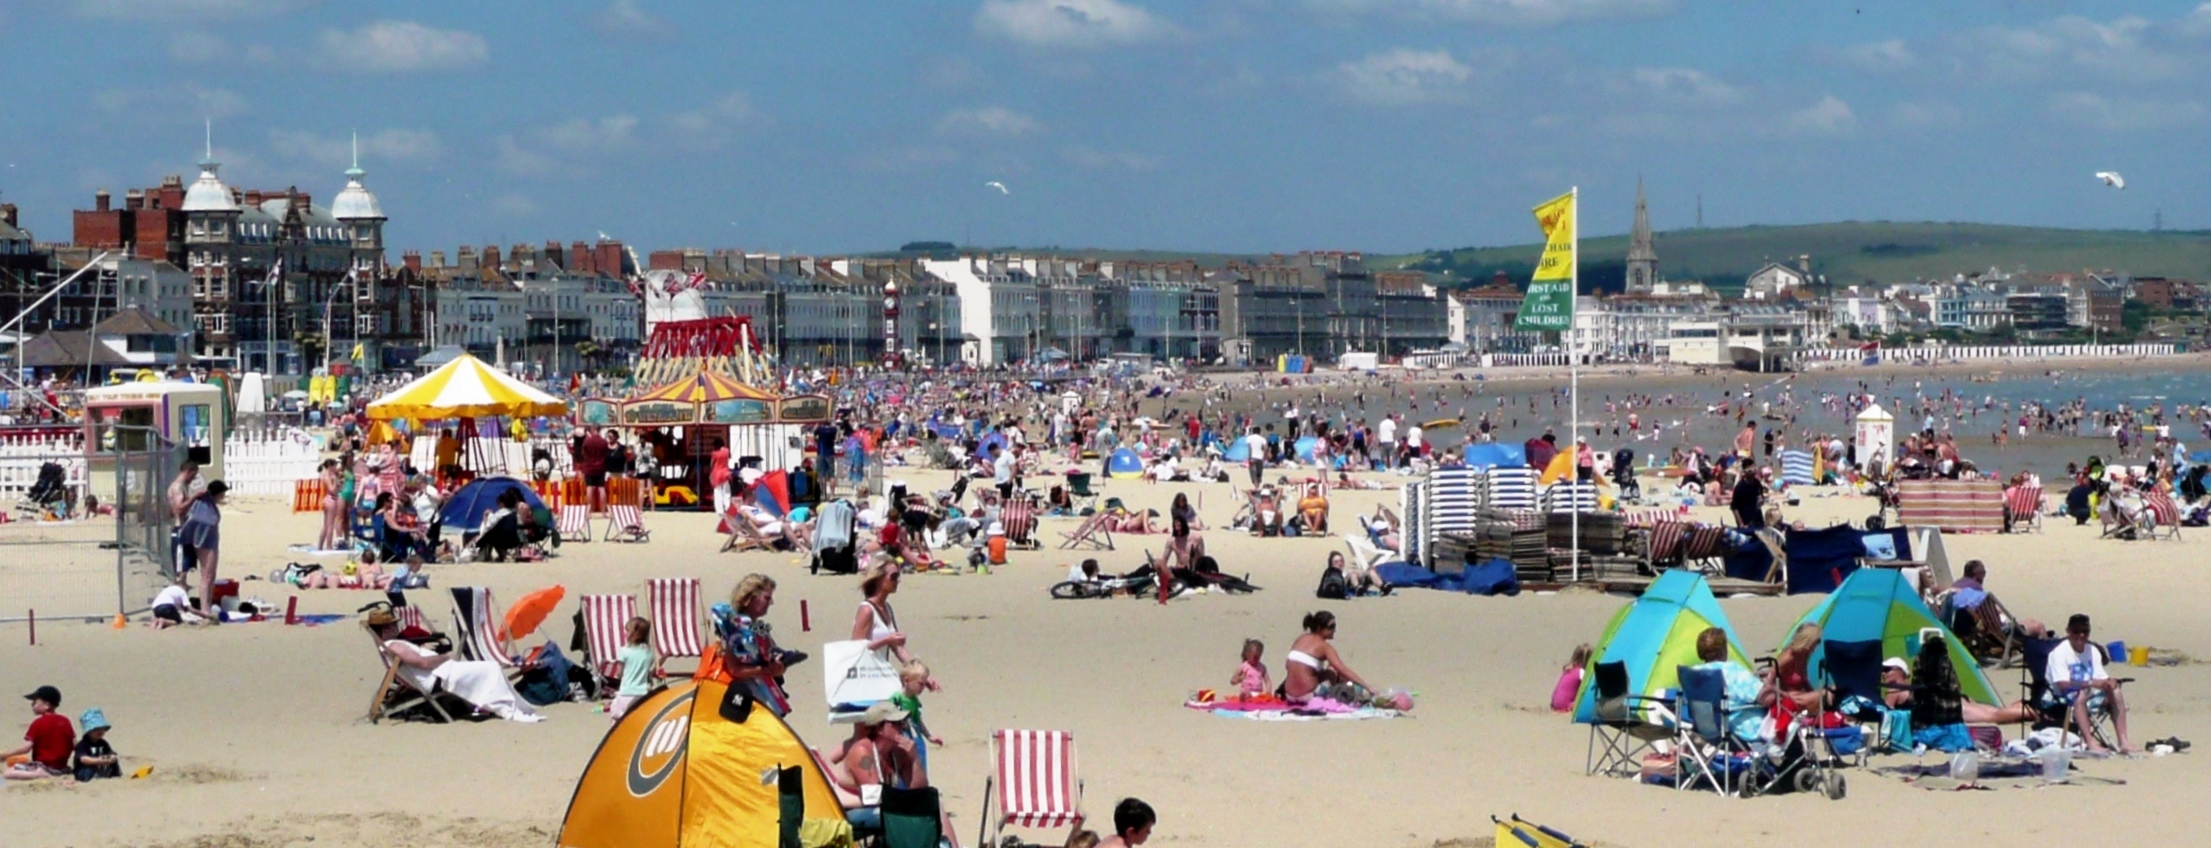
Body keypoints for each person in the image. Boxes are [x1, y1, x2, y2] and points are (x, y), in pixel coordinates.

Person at [370, 607, 543, 722]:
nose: (396, 626)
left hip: (441, 673)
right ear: (386, 629)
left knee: (488, 669)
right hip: (438, 677)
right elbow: (423, 663)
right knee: (491, 668)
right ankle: (504, 708)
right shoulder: (394, 646)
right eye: (393, 625)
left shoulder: (389, 645)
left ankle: (500, 705)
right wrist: (445, 657)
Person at [2047, 614, 2132, 754]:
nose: (2081, 635)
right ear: (2068, 631)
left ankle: (2124, 742)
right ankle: (2090, 742)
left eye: (2085, 632)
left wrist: (2109, 682)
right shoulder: (2059, 653)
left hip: (2090, 694)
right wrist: (2092, 683)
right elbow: (2063, 684)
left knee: (2116, 691)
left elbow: (2101, 677)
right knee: (2078, 695)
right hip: (2062, 697)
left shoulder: (2092, 650)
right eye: (2076, 631)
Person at [722, 574, 796, 716]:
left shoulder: (757, 627)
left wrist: (779, 667)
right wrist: (764, 670)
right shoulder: (734, 627)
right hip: (742, 698)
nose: (771, 603)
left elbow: (771, 657)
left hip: (762, 692)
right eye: (767, 598)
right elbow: (734, 669)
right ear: (750, 599)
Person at [852, 566, 935, 689]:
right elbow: (855, 649)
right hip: (864, 677)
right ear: (879, 578)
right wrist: (886, 640)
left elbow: (898, 649)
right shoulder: (866, 610)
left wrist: (921, 675)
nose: (898, 580)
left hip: (879, 675)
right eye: (894, 576)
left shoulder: (887, 608)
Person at [1284, 611, 1387, 708]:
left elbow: (1289, 666)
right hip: (1309, 697)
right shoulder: (1324, 647)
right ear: (1319, 628)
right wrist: (1367, 687)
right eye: (1331, 627)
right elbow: (1342, 669)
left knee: (1314, 670)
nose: (1334, 630)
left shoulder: (1300, 639)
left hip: (1289, 696)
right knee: (1333, 669)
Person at [1689, 628, 1771, 743]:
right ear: (1723, 650)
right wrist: (1770, 683)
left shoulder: (1693, 673)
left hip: (1708, 732)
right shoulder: (1733, 671)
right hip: (1743, 734)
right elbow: (1766, 698)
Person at [180, 481, 228, 624]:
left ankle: (207, 605)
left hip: (209, 543)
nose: (224, 496)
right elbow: (198, 522)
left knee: (210, 576)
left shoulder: (207, 505)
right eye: (222, 493)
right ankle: (205, 609)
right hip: (206, 544)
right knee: (207, 576)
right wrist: (199, 542)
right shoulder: (204, 508)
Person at [3, 685, 73, 780]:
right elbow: (73, 743)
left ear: (46, 705)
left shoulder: (38, 723)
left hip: (43, 766)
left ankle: (38, 774)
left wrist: (5, 755)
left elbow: (26, 748)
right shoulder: (65, 721)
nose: (32, 705)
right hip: (61, 768)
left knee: (8, 772)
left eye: (35, 702)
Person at [889, 660, 941, 775]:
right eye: (920, 684)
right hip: (900, 735)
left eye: (924, 684)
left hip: (914, 734)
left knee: (919, 761)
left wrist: (929, 736)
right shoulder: (896, 698)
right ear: (906, 681)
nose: (922, 688)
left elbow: (917, 720)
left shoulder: (914, 700)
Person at [610, 616, 654, 721]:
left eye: (627, 630)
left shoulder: (624, 651)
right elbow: (647, 671)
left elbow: (619, 673)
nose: (625, 633)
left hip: (626, 692)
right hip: (643, 693)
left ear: (635, 634)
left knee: (617, 720)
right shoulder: (649, 652)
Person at [169, 460, 203, 573]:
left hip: (182, 527)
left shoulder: (176, 486)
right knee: (181, 566)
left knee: (185, 565)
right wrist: (194, 498)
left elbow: (171, 511)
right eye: (193, 476)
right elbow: (179, 508)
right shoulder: (178, 487)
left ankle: (182, 580)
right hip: (180, 529)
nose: (192, 479)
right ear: (188, 472)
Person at [72, 708, 120, 782]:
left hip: (100, 767)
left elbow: (110, 752)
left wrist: (111, 758)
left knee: (114, 763)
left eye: (102, 728)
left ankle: (115, 775)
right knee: (87, 770)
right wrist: (98, 761)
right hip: (84, 769)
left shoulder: (103, 743)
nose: (100, 731)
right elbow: (83, 759)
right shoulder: (83, 744)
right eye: (95, 729)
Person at [1550, 644, 1591, 713]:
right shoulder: (1581, 672)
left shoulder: (1569, 669)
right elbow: (1589, 685)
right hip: (1566, 705)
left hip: (1555, 703)